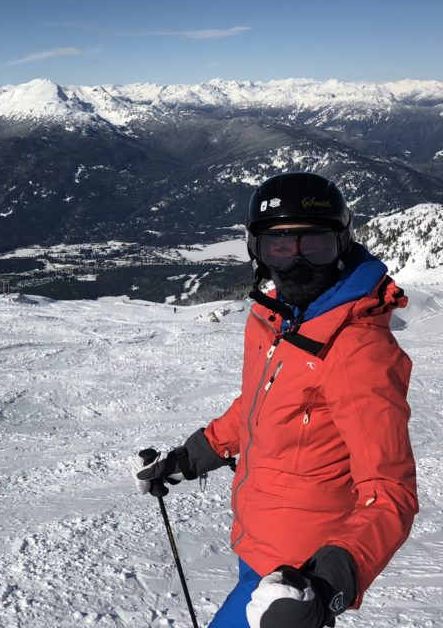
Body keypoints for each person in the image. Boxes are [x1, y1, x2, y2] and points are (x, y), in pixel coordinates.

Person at [136, 171, 417, 628]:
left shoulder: (358, 350)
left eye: (316, 245)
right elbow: (255, 409)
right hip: (257, 547)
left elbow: (390, 493)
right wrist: (186, 459)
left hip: (299, 578)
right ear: (257, 253)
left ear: (342, 245)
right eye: (280, 248)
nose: (299, 263)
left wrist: (323, 589)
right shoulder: (276, 322)